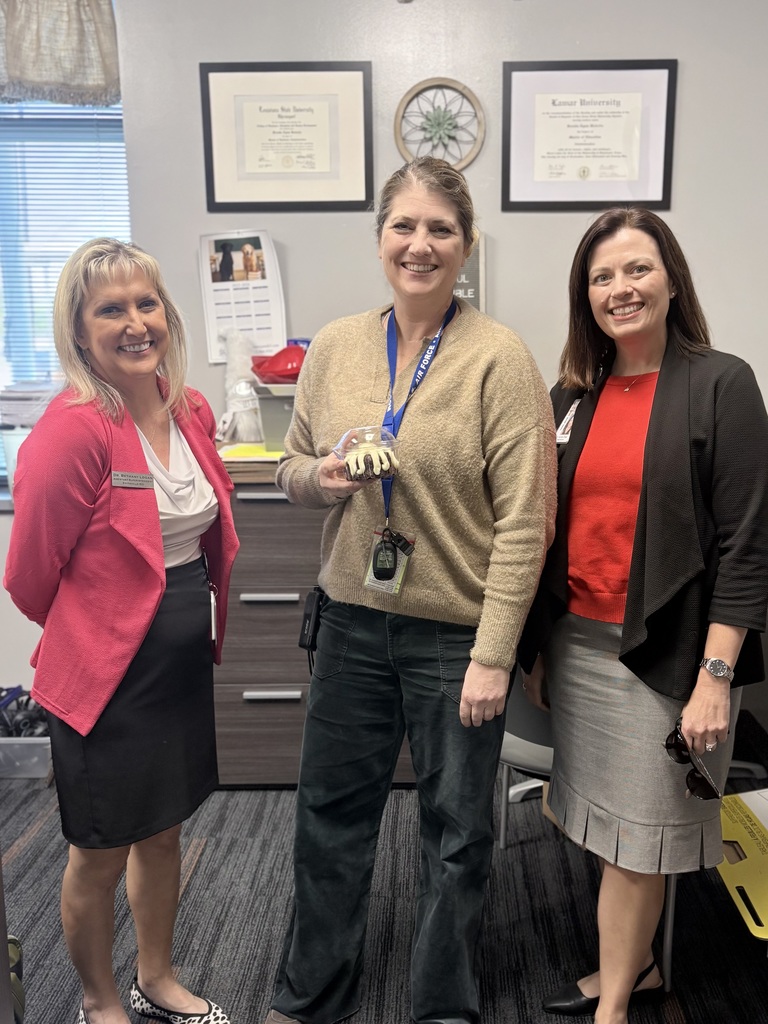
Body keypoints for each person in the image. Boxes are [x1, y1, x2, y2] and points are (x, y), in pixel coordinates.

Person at [263, 156, 557, 1024]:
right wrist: (321, 475)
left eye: (441, 230)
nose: (420, 245)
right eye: (404, 226)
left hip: (452, 638)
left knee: (457, 835)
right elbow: (288, 469)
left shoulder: (499, 359)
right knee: (329, 819)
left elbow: (525, 525)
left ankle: (441, 1006)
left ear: (465, 247)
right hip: (350, 623)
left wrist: (494, 655)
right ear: (380, 238)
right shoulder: (337, 346)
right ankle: (312, 994)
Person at [519, 208, 768, 1024]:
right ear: (583, 295)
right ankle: (641, 969)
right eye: (602, 276)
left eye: (637, 269)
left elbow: (746, 544)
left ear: (671, 278)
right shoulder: (573, 395)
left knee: (639, 838)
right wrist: (545, 649)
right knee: (611, 827)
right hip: (580, 644)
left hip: (668, 655)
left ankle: (616, 1006)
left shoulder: (720, 382)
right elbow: (554, 537)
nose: (620, 289)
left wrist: (716, 678)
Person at [3, 239, 239, 1024]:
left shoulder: (190, 409)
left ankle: (157, 977)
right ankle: (100, 1003)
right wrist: (95, 627)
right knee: (96, 853)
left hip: (175, 667)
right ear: (78, 330)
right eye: (111, 309)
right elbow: (31, 576)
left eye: (146, 304)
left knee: (162, 835)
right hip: (105, 678)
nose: (136, 323)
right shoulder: (71, 433)